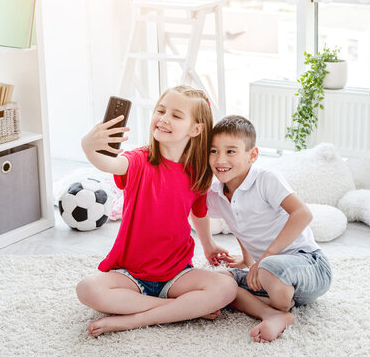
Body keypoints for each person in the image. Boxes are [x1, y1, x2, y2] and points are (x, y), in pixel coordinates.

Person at [76, 86, 238, 337]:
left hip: (176, 273)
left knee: (226, 287)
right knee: (87, 289)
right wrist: (89, 148)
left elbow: (199, 213)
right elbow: (111, 162)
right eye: (160, 110)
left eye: (176, 115)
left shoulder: (198, 173)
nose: (163, 118)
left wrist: (209, 245)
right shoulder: (139, 159)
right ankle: (178, 310)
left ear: (196, 129)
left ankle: (132, 320)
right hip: (130, 274)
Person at [205, 115, 332, 343]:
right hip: (268, 277)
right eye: (213, 151)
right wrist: (242, 258)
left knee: (269, 267)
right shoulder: (217, 193)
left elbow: (303, 214)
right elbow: (239, 224)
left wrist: (265, 257)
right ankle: (275, 313)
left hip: (310, 266)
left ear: (252, 155)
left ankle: (277, 304)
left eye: (231, 151)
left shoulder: (266, 179)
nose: (220, 159)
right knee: (217, 281)